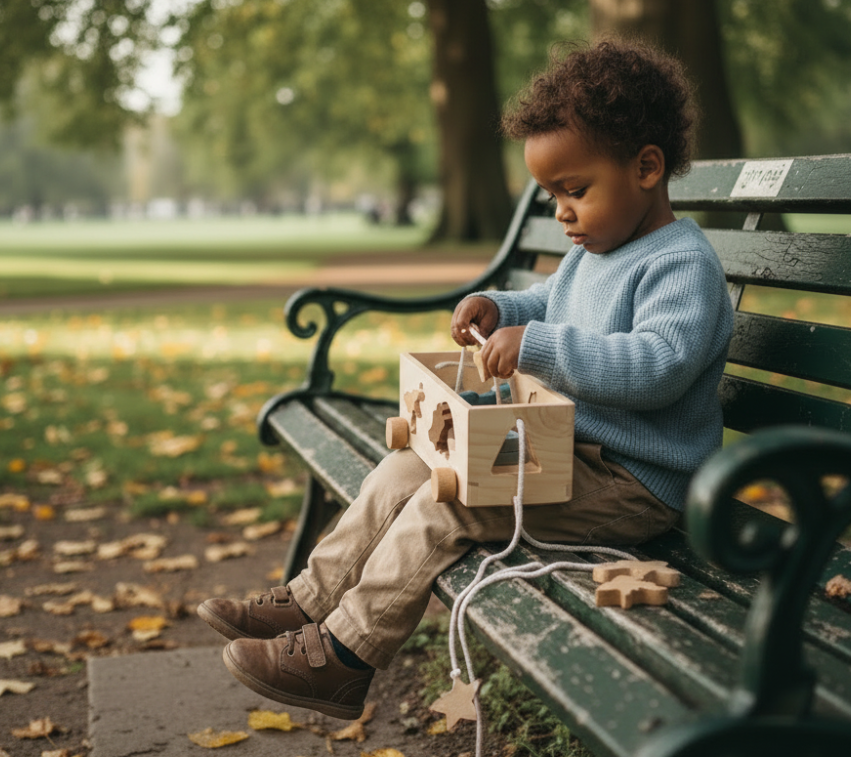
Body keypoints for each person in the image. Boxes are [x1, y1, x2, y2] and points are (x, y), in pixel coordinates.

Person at [198, 38, 734, 720]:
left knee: (452, 498)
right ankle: (309, 598)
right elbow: (549, 307)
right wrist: (503, 309)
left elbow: (658, 366)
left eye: (575, 190)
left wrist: (537, 344)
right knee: (405, 468)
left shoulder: (679, 265)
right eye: (551, 195)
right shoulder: (596, 249)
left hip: (633, 484)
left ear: (647, 167)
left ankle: (344, 657)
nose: (562, 212)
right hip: (563, 454)